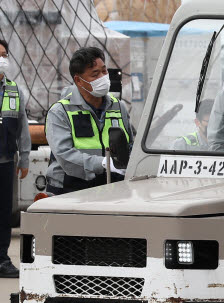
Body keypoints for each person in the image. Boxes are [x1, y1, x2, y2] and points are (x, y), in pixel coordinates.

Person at [45, 47, 132, 195]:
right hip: (70, 189)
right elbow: (64, 155)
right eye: (95, 74)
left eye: (104, 71)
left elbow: (129, 145)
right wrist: (104, 163)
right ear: (79, 80)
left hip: (110, 186)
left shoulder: (118, 106)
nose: (103, 77)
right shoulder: (60, 112)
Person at [0, 38, 30, 278]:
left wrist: (25, 158)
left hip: (5, 162)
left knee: (4, 213)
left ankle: (2, 259)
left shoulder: (14, 89)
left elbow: (22, 127)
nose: (1, 59)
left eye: (3, 54)